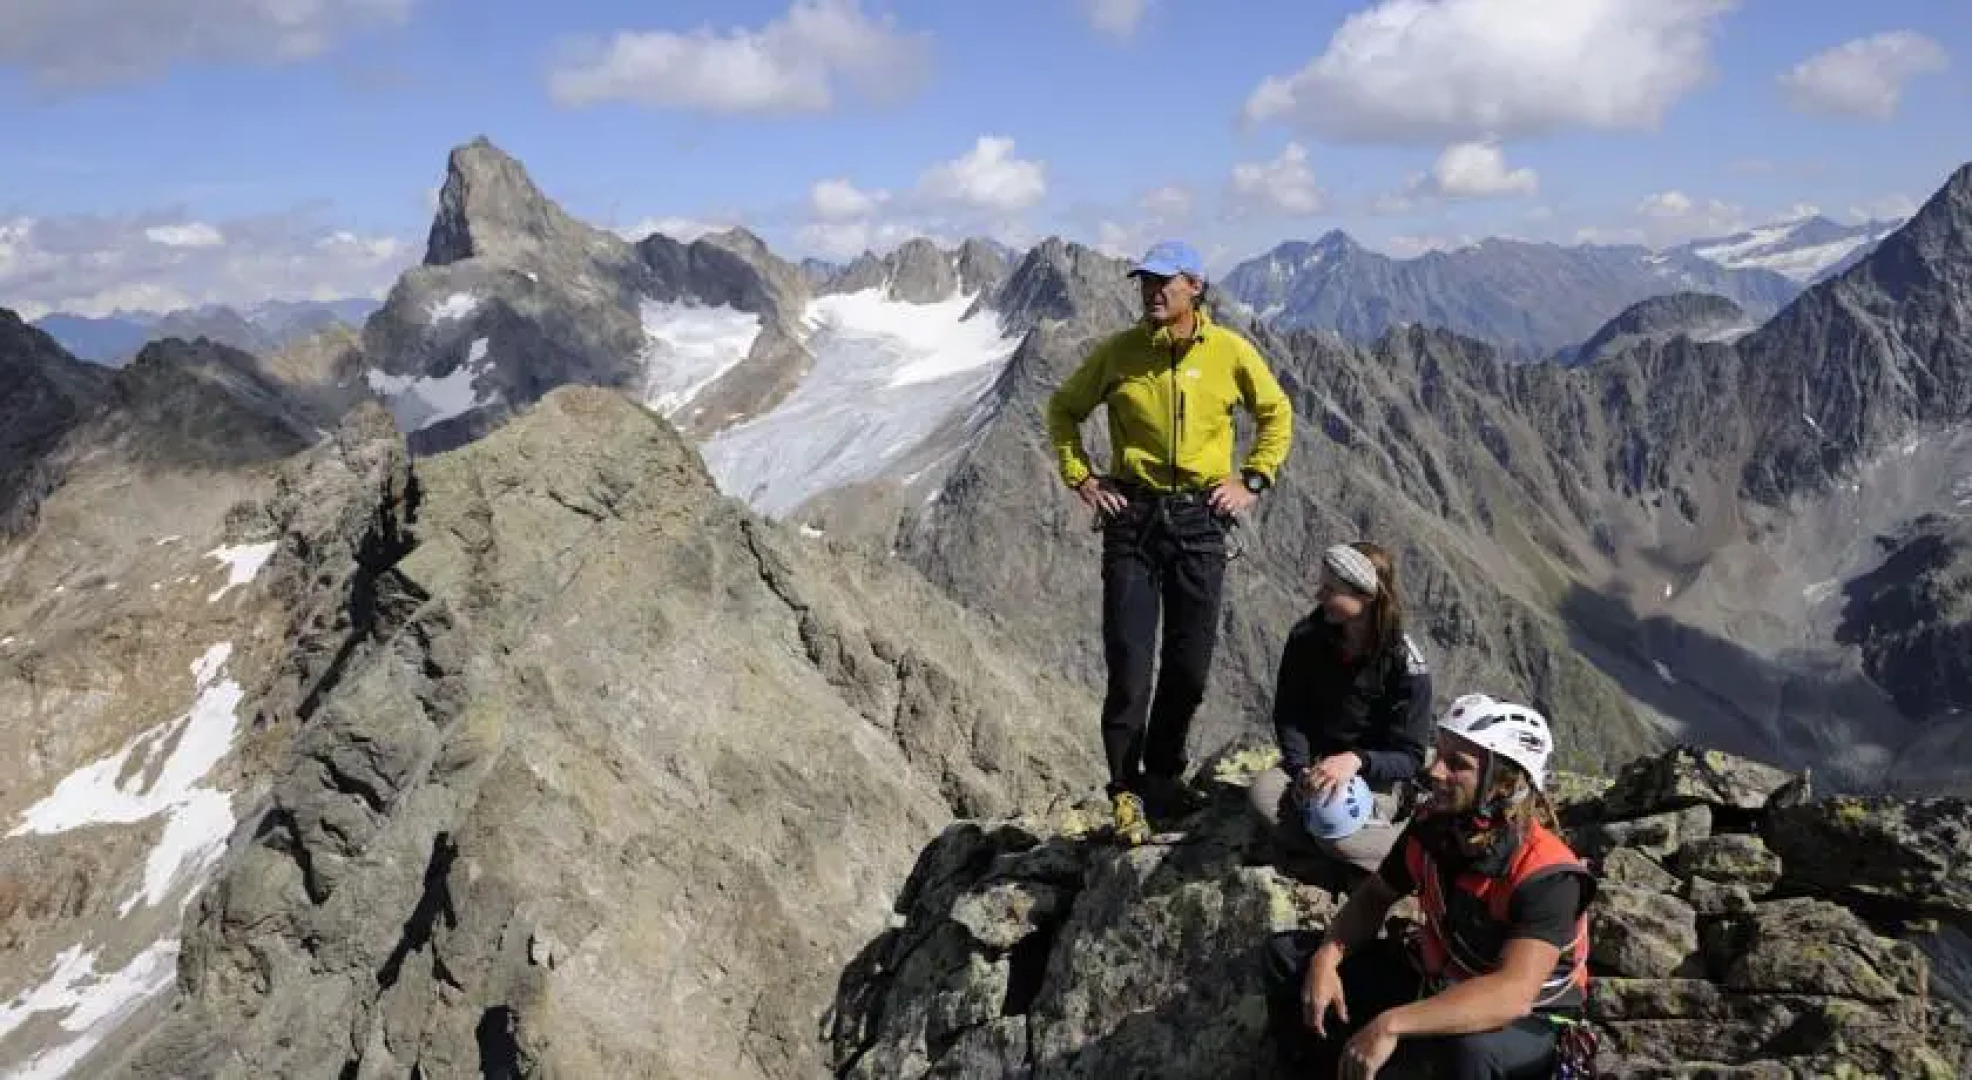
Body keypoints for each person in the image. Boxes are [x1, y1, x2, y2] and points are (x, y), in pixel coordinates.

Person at [1045, 239, 1293, 845]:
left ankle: (1163, 777)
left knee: (1189, 668)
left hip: (1201, 522)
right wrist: (1081, 477)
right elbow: (1063, 409)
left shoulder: (1230, 351)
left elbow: (1276, 412)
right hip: (1133, 519)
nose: (1152, 293)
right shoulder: (1120, 353)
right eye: (1145, 283)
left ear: (1195, 288)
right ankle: (1126, 792)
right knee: (1130, 667)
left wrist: (1253, 478)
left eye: (1164, 283)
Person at [1262, 693, 1599, 1079]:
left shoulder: (1547, 874)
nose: (1435, 770)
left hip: (1529, 1024)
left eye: (1457, 764)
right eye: (1439, 754)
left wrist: (1392, 1024)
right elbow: (1376, 895)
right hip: (1438, 981)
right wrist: (1327, 957)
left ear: (1503, 784)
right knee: (1289, 959)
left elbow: (1512, 995)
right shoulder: (1433, 826)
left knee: (1471, 1051)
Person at [1247, 541, 1432, 885]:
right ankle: (1348, 855)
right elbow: (1290, 714)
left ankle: (1415, 856)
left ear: (1365, 596)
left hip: (1375, 775)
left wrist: (1356, 761)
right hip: (1317, 766)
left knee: (1334, 831)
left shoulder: (1405, 664)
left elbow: (1411, 756)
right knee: (1264, 795)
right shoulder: (1307, 638)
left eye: (1330, 589)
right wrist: (1301, 768)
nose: (1318, 595)